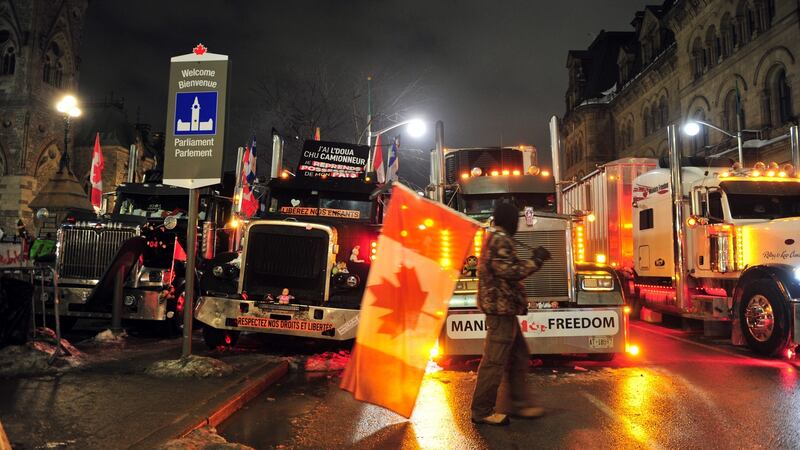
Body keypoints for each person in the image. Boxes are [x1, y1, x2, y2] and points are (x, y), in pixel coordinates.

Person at [470, 202, 551, 426]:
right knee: (494, 361)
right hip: (501, 311)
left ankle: (518, 404)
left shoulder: (496, 237)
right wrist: (537, 260)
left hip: (504, 309)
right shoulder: (500, 239)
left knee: (518, 356)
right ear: (509, 220)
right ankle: (482, 411)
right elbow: (509, 271)